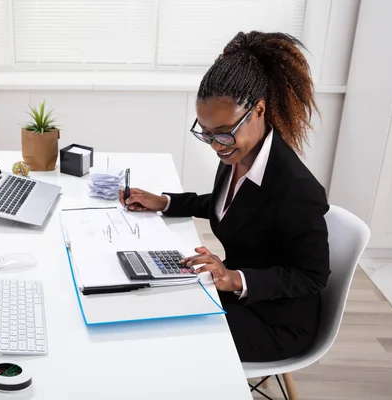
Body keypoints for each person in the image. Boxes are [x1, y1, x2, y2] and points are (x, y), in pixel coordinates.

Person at [120, 31, 330, 362]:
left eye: (225, 133)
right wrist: (165, 202)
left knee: (166, 335)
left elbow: (312, 277)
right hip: (240, 299)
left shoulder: (296, 189)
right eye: (206, 134)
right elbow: (226, 206)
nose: (217, 146)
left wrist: (234, 278)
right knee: (149, 304)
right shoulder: (238, 156)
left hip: (276, 322)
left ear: (259, 110)